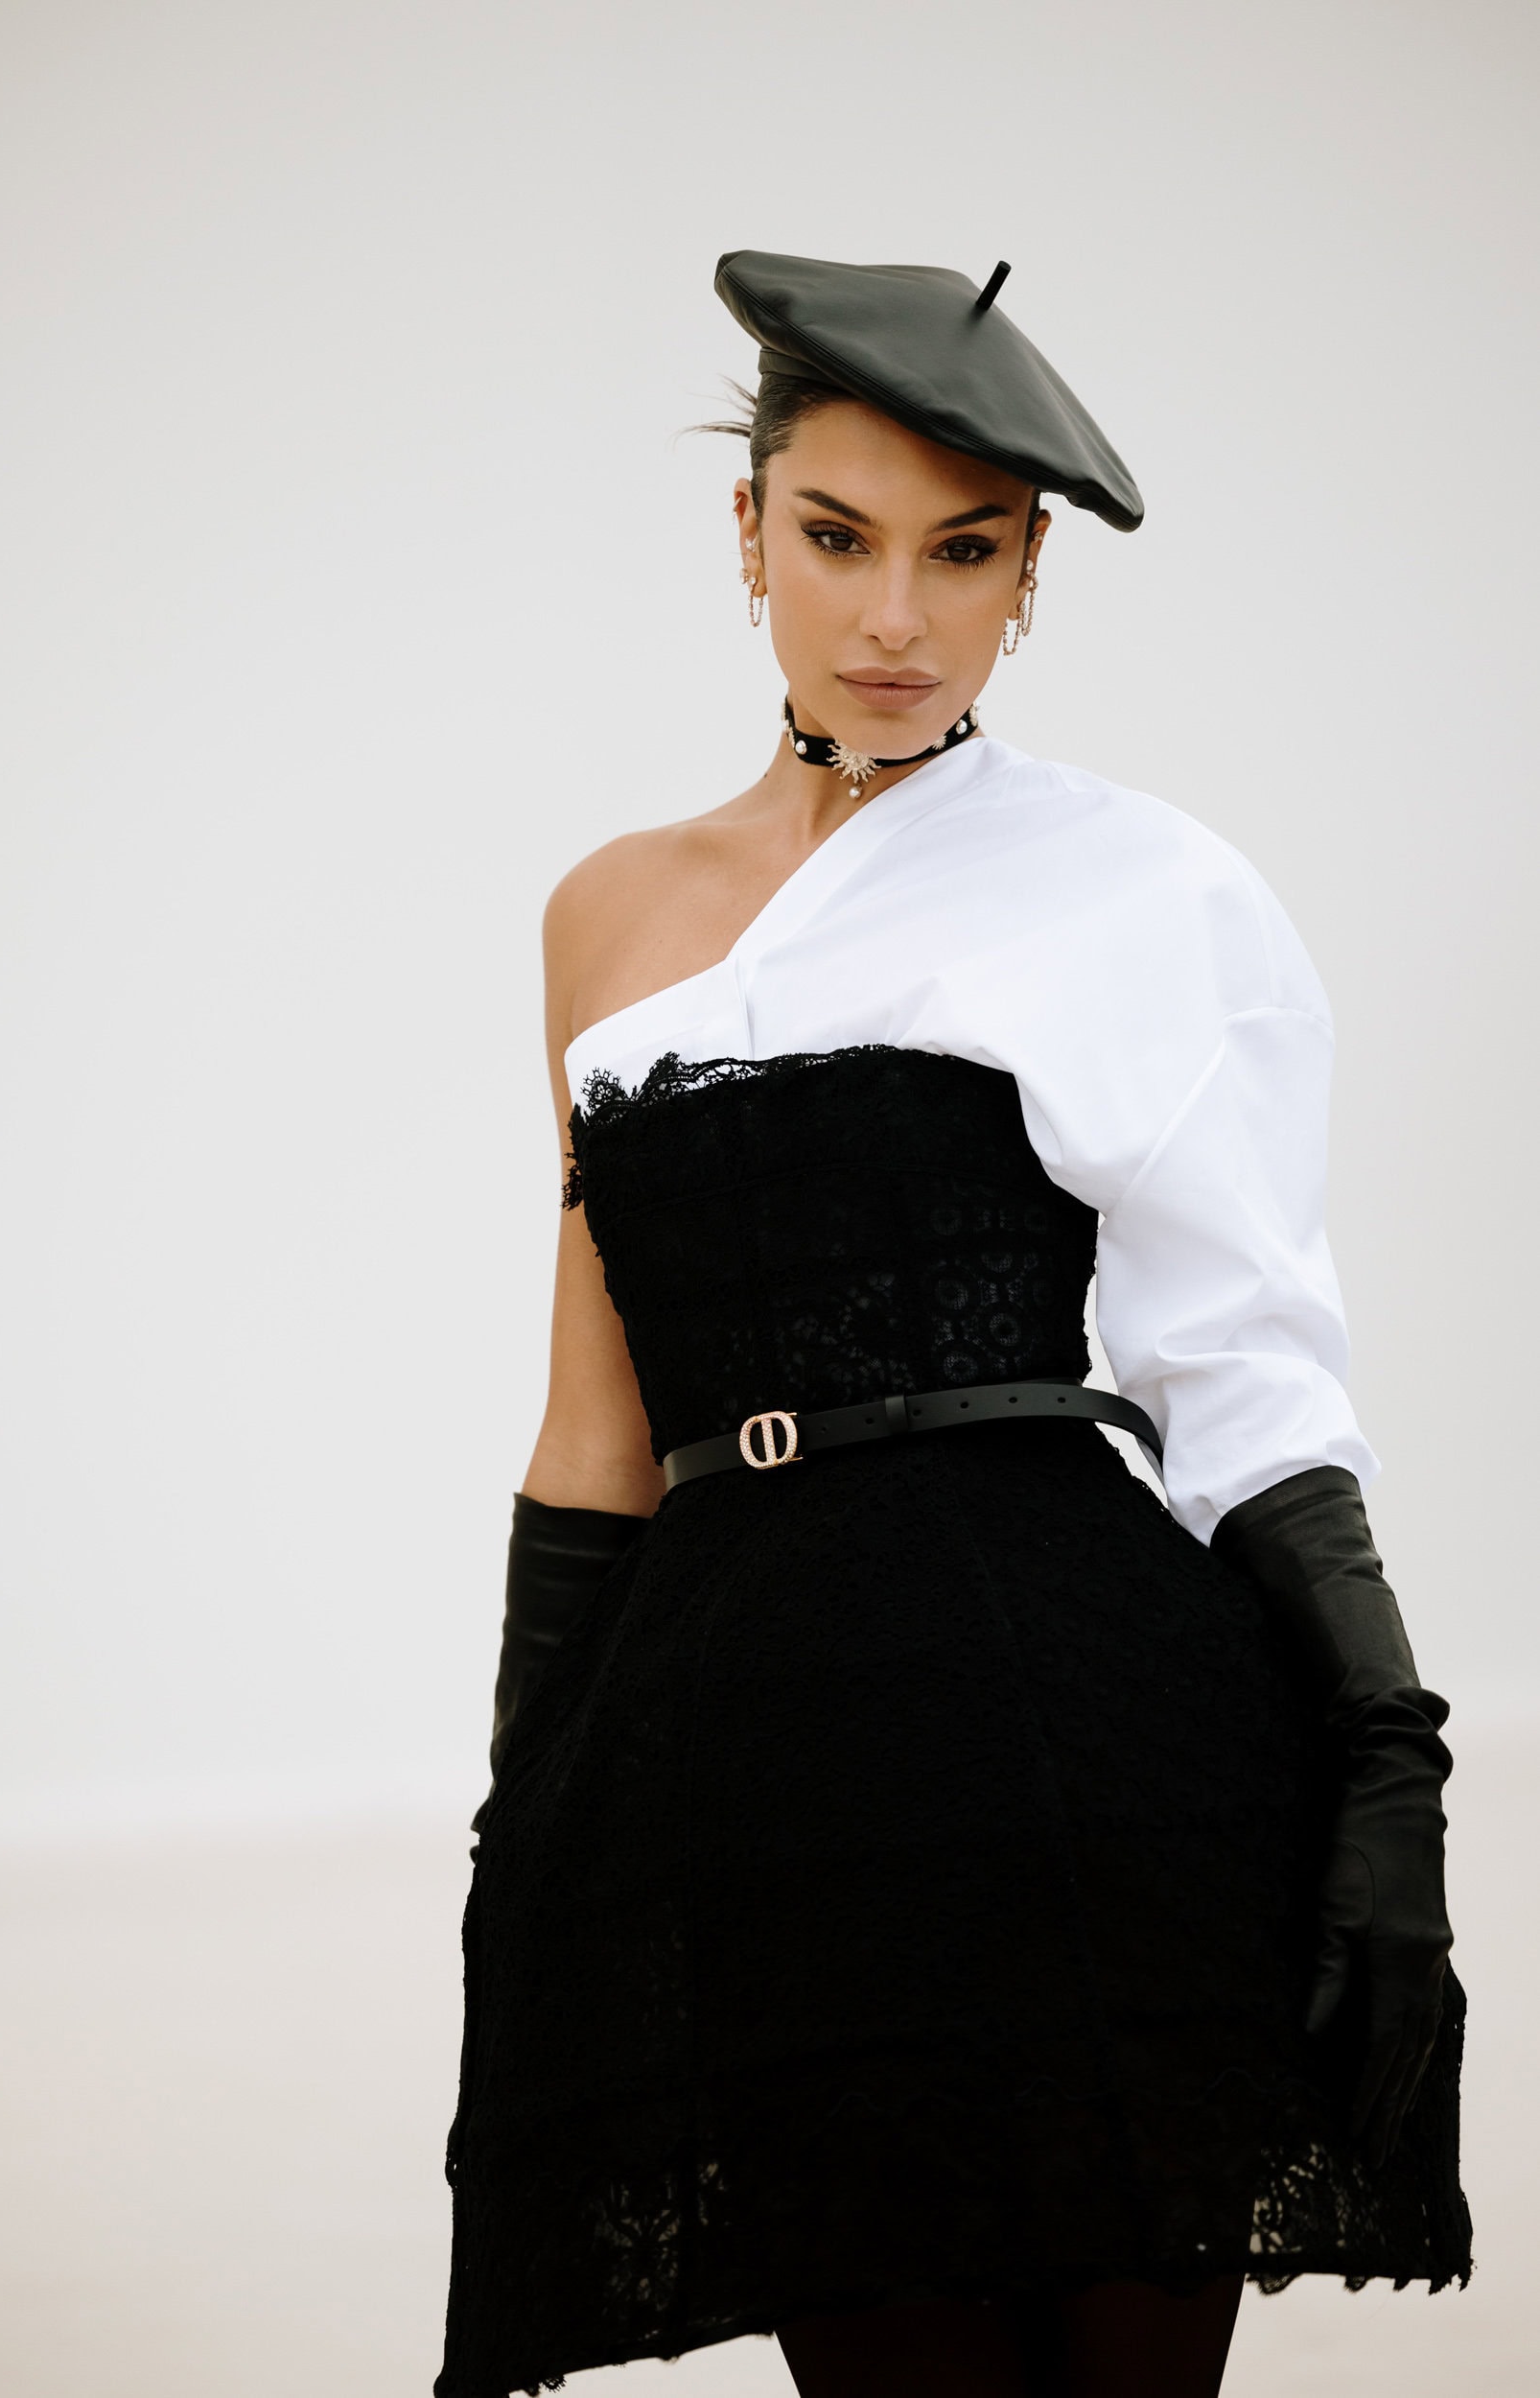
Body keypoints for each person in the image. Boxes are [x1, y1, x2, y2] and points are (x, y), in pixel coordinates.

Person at [435, 251, 1470, 2398]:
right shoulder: (608, 917)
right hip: (772, 1766)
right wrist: (525, 1821)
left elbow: (1244, 1367)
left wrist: (1391, 1766)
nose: (896, 616)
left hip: (1109, 1742)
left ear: (1031, 577)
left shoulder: (1142, 887)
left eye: (966, 552)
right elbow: (597, 1424)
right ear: (747, 534)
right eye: (839, 538)